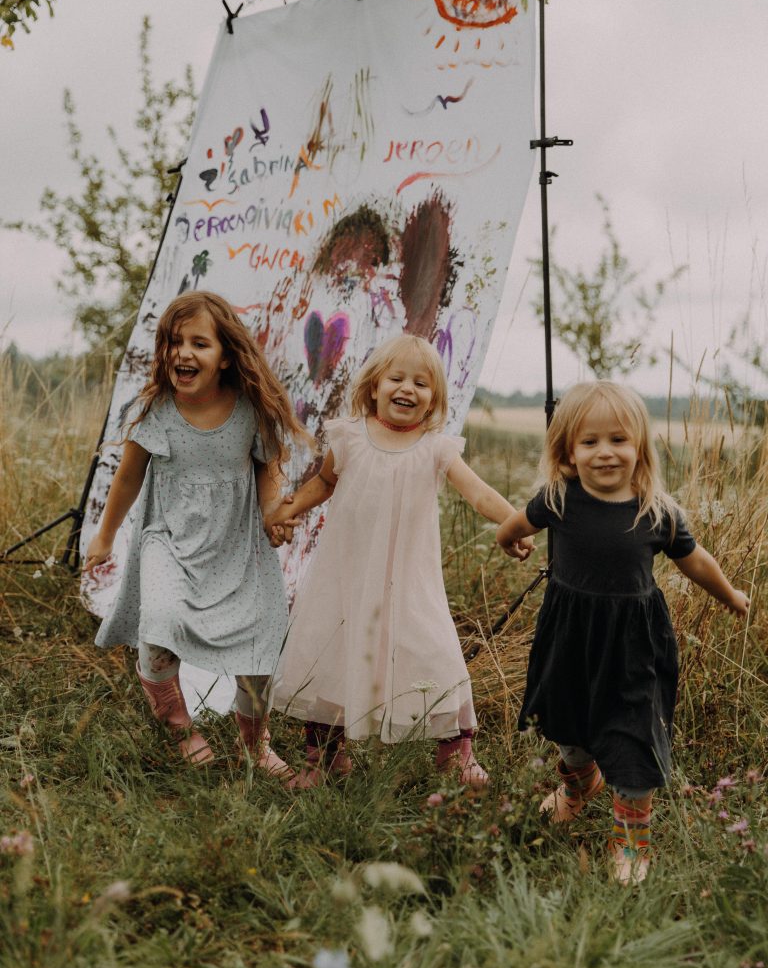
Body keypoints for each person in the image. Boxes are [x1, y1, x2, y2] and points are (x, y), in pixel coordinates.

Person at [495, 381, 749, 883]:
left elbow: (696, 561)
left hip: (633, 644)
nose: (605, 452)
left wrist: (731, 595)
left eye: (618, 440)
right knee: (565, 722)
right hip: (569, 636)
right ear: (568, 451)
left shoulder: (657, 511)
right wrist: (509, 541)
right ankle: (579, 785)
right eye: (590, 442)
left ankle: (631, 842)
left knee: (633, 737)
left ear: (639, 447)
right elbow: (515, 525)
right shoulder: (557, 499)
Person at [265, 333, 535, 789]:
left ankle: (456, 751)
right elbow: (323, 484)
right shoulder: (349, 438)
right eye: (397, 378)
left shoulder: (435, 449)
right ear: (374, 386)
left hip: (411, 579)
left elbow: (478, 493)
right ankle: (326, 756)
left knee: (435, 650)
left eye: (422, 383)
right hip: (347, 574)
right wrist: (288, 509)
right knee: (334, 649)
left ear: (434, 400)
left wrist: (513, 523)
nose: (408, 389)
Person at [84, 290, 309, 777]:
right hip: (169, 539)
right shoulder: (156, 413)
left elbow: (268, 474)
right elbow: (127, 478)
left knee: (263, 636)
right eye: (174, 342)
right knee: (160, 620)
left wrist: (274, 514)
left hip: (238, 544)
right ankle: (179, 723)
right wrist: (105, 536)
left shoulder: (250, 411)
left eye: (199, 344)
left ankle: (255, 743)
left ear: (225, 356)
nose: (183, 353)